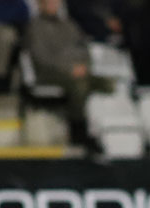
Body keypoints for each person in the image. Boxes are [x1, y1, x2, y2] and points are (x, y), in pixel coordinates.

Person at [24, 0, 114, 141]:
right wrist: (69, 68)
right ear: (40, 5)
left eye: (56, 2)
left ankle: (107, 132)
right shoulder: (35, 27)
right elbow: (41, 57)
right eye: (49, 2)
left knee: (108, 84)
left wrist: (84, 66)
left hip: (79, 72)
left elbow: (85, 49)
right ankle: (78, 131)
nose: (53, 5)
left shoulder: (69, 24)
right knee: (80, 86)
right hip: (49, 74)